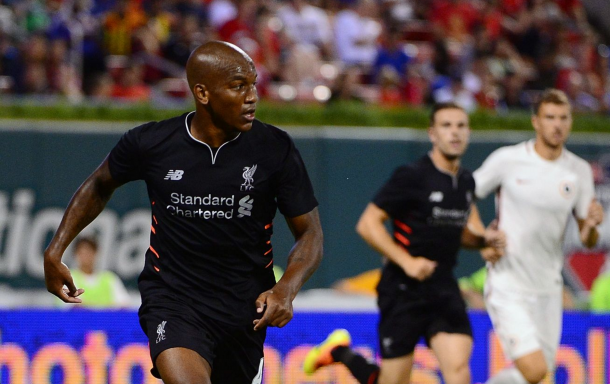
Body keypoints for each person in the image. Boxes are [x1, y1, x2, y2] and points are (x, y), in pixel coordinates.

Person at [43, 41, 323, 384]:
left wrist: (286, 289)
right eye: (238, 86)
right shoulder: (152, 143)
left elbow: (310, 234)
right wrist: (55, 250)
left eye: (253, 84)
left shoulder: (275, 149)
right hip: (173, 300)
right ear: (202, 93)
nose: (252, 96)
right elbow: (99, 184)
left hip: (243, 311)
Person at [304, 102, 506, 384]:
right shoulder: (412, 176)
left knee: (459, 372)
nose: (455, 133)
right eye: (446, 126)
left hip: (443, 287)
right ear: (433, 134)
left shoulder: (466, 183)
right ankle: (341, 353)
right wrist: (407, 262)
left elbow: (459, 234)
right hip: (402, 289)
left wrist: (484, 240)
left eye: (461, 126)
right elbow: (367, 224)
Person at [473, 88, 604, 384]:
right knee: (533, 370)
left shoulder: (579, 170)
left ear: (570, 122)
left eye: (563, 118)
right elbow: (465, 195)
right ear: (536, 122)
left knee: (537, 375)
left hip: (548, 287)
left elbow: (587, 239)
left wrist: (593, 224)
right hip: (508, 284)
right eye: (550, 118)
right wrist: (482, 237)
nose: (557, 125)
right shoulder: (508, 160)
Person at [63, 236, 131, 308]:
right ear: (76, 254)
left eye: (89, 251)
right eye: (82, 252)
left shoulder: (110, 278)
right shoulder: (69, 278)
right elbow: (71, 306)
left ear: (96, 253)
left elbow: (125, 304)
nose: (85, 256)